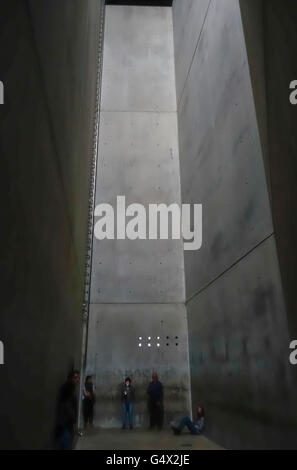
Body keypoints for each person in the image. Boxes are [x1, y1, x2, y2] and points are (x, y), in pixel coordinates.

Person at [56, 370, 80, 450]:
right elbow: (66, 405)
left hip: (67, 421)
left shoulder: (71, 388)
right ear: (70, 378)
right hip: (65, 422)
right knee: (66, 444)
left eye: (78, 378)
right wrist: (73, 417)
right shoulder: (68, 388)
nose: (77, 380)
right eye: (75, 377)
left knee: (67, 443)